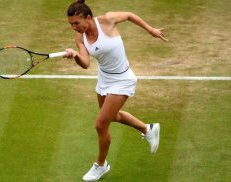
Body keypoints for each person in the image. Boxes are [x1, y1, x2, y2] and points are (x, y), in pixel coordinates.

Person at [64, 0, 167, 181]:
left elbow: (129, 15)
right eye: (71, 24)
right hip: (105, 78)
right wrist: (75, 56)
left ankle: (101, 165)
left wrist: (150, 30)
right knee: (113, 116)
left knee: (100, 124)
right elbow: (86, 64)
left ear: (88, 18)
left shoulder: (106, 20)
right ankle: (148, 128)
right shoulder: (80, 38)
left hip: (123, 79)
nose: (74, 27)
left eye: (76, 23)